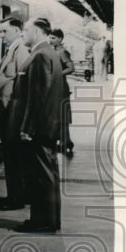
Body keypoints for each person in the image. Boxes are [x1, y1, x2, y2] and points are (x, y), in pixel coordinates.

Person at [10, 18, 64, 233]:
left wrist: (27, 128)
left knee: (41, 176)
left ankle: (43, 222)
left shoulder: (40, 55)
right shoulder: (48, 53)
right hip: (47, 125)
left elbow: (37, 96)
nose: (23, 33)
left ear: (36, 31)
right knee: (47, 174)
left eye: (25, 30)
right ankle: (47, 220)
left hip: (39, 128)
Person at [0, 17, 30, 209]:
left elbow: (25, 84)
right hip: (6, 111)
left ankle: (17, 199)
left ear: (16, 31)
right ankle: (13, 195)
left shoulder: (21, 50)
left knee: (14, 157)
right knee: (10, 156)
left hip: (13, 113)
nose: (2, 35)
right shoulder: (12, 50)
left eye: (5, 31)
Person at [48, 28, 74, 158]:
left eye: (53, 38)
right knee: (58, 116)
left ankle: (65, 142)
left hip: (61, 87)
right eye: (50, 37)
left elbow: (71, 68)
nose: (50, 40)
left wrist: (57, 74)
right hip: (55, 87)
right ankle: (64, 141)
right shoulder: (53, 51)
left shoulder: (62, 52)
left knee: (61, 116)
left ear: (60, 39)